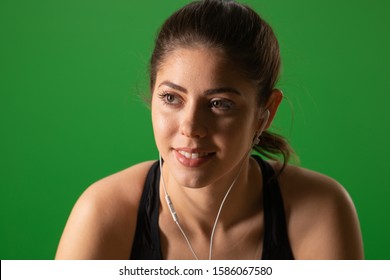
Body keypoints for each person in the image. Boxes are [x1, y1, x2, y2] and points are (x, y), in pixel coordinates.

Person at [55, 0, 364, 260]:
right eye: (171, 98)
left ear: (264, 114)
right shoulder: (101, 214)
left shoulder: (321, 209)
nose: (190, 127)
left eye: (220, 104)